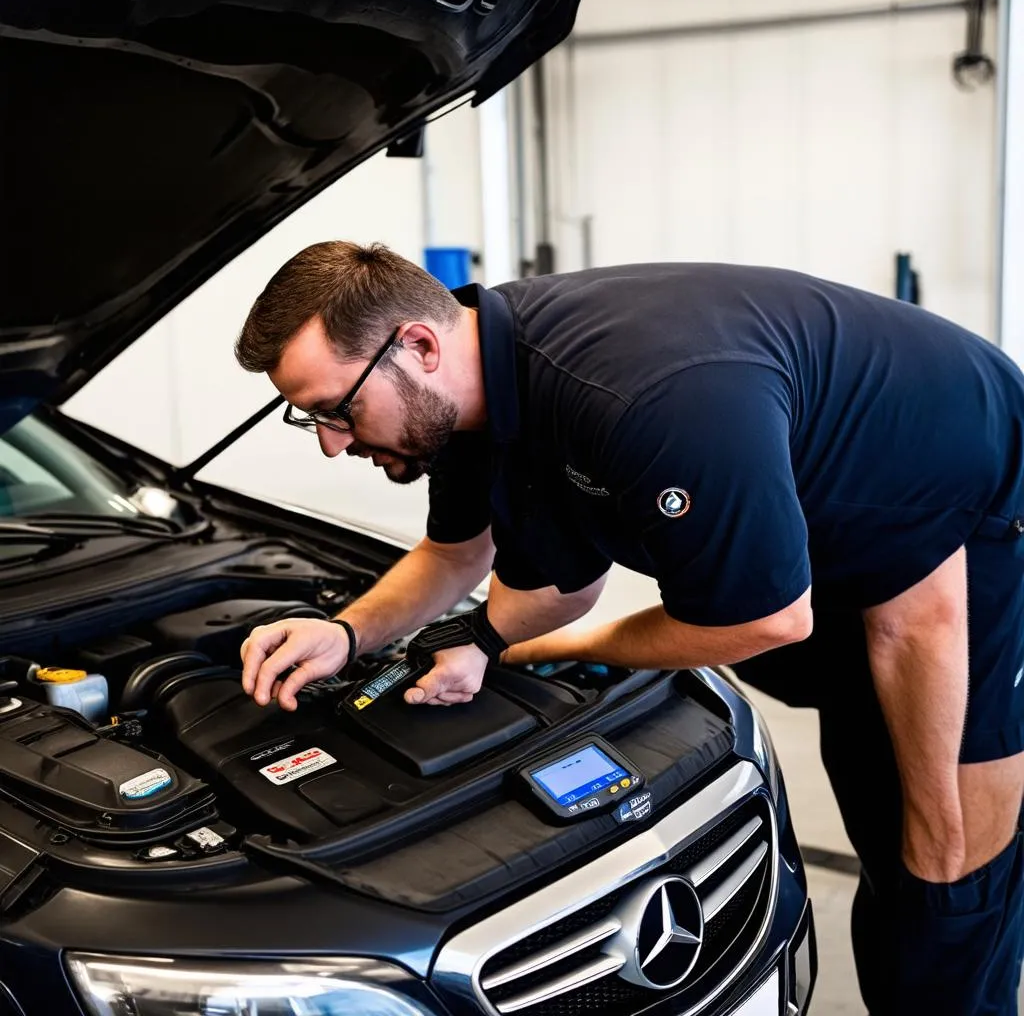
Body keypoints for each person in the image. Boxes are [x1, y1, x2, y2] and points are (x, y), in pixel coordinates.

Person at [235, 240, 1023, 1015]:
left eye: (336, 410)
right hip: (834, 533)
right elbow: (459, 555)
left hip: (971, 516)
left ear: (418, 344)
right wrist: (347, 633)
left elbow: (766, 619)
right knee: (877, 802)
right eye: (311, 422)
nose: (335, 443)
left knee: (942, 869)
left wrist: (570, 647)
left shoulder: (648, 401)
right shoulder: (481, 388)